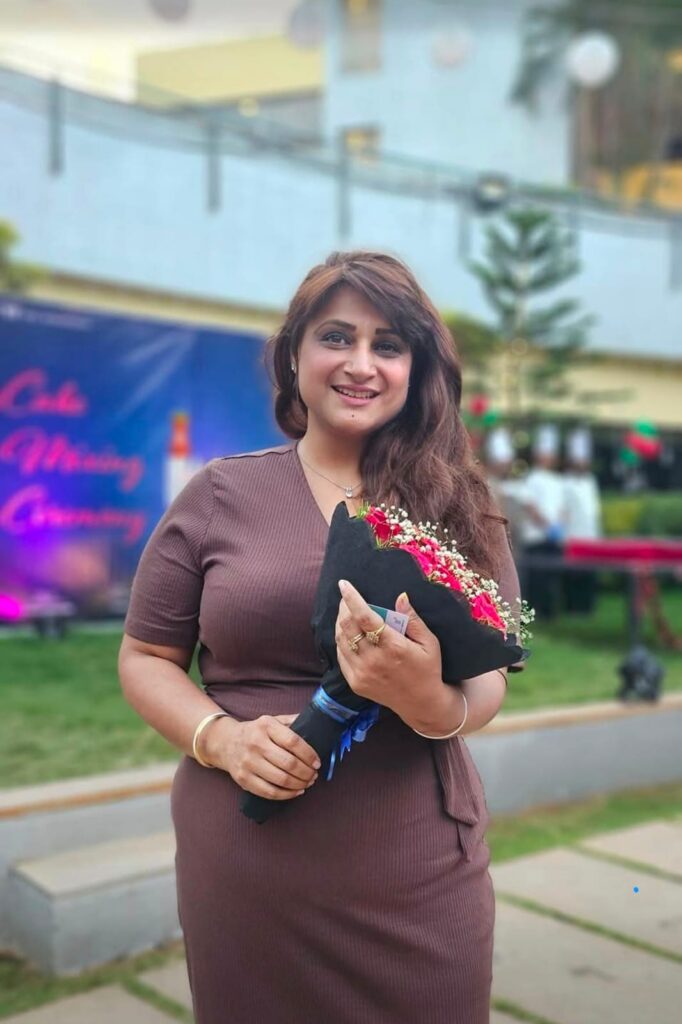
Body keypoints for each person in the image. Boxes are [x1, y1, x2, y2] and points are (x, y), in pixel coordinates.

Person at [118, 250, 523, 1024]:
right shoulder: (221, 493)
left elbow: (489, 682)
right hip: (251, 861)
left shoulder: (459, 506)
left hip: (415, 859)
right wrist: (221, 739)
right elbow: (145, 656)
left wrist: (428, 700)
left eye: (387, 345)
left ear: (415, 369)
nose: (361, 364)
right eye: (336, 337)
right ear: (294, 354)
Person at [516, 424, 566, 621]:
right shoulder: (531, 478)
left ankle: (550, 612)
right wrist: (546, 525)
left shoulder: (558, 480)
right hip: (536, 536)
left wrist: (558, 525)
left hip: (554, 537)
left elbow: (562, 507)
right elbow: (529, 505)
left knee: (552, 577)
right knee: (537, 577)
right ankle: (534, 612)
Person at [562, 427, 601, 614]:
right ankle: (573, 608)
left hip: (590, 535)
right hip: (573, 535)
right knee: (574, 575)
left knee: (589, 574)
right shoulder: (566, 482)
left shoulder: (590, 481)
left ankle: (587, 608)